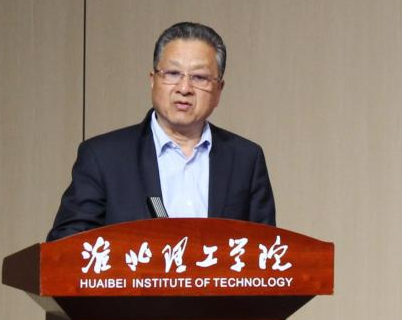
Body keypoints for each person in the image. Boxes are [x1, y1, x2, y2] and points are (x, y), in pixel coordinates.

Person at [47, 22, 275, 240]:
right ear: (153, 80)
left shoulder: (245, 159)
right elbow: (66, 246)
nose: (184, 88)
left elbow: (268, 252)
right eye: (173, 73)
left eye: (199, 77)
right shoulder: (104, 157)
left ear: (219, 90)